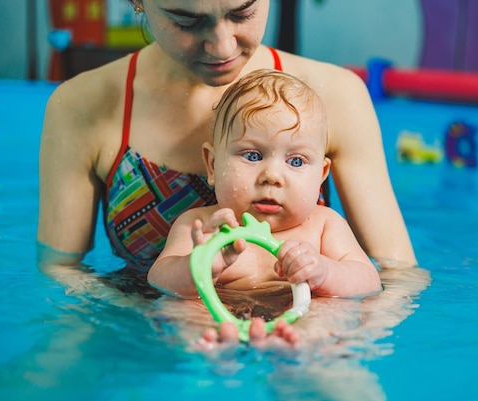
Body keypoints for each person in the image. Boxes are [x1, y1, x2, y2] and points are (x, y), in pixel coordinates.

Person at [37, 0, 416, 284]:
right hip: (160, 342)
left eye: (242, 12)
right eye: (187, 20)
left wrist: (324, 337)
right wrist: (147, 329)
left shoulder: (333, 96)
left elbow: (400, 278)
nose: (221, 47)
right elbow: (62, 273)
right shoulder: (81, 106)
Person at [147, 69, 382, 343]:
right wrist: (198, 264)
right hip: (217, 310)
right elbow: (159, 278)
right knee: (182, 308)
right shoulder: (198, 226)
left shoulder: (324, 225)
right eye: (253, 155)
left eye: (295, 161)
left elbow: (368, 280)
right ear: (212, 165)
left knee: (328, 309)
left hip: (301, 314)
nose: (272, 176)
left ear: (320, 175)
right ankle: (210, 349)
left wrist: (324, 271)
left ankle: (299, 350)